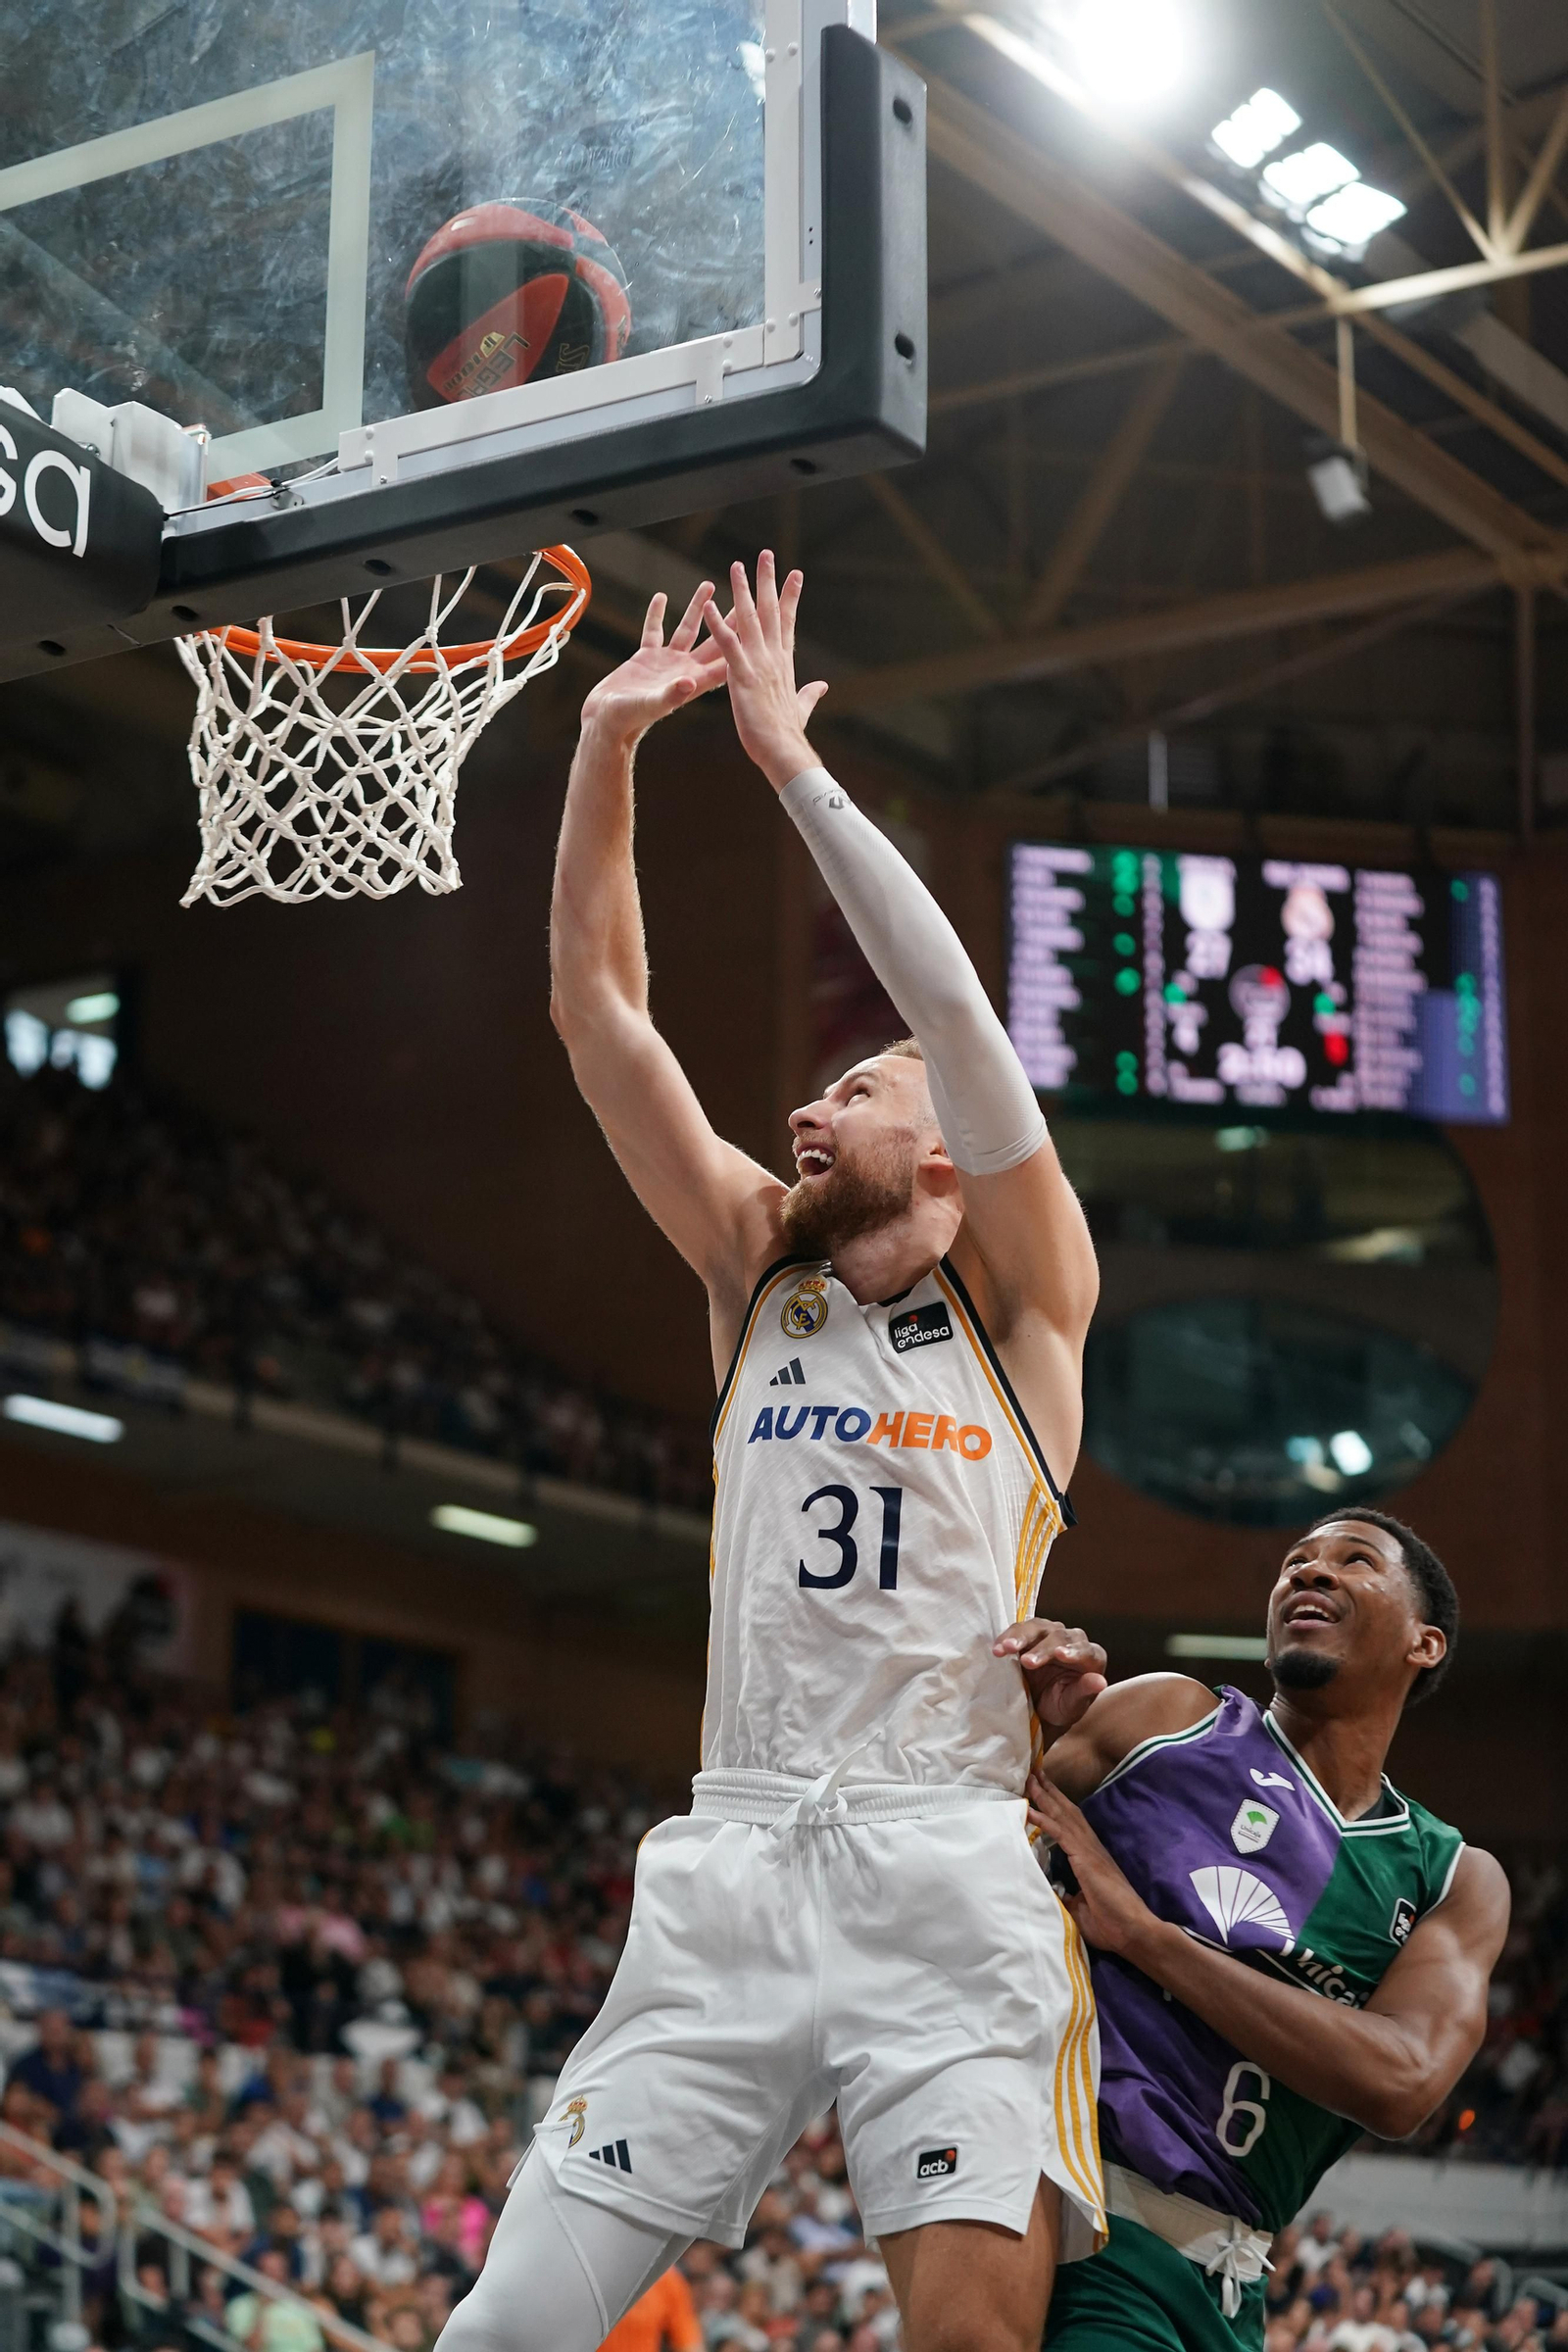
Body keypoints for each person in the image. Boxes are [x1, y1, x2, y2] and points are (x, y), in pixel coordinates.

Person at [437, 556, 1105, 2352]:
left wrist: (791, 771)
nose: (805, 1110)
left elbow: (959, 1019)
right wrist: (603, 748)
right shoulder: (756, 1270)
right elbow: (602, 1012)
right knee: (500, 2335)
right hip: (732, 1864)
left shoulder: (1031, 1300)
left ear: (948, 1154)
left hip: (948, 1870)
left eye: (852, 1094)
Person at [999, 1508, 1509, 2352]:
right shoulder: (1164, 1721)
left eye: (1354, 1561)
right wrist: (1005, 1721)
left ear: (1426, 1643)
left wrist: (1150, 1939)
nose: (1310, 1573)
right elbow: (958, 1839)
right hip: (1085, 2224)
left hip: (1234, 2286)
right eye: (1296, 1561)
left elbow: (1402, 2083)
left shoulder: (1451, 1874)